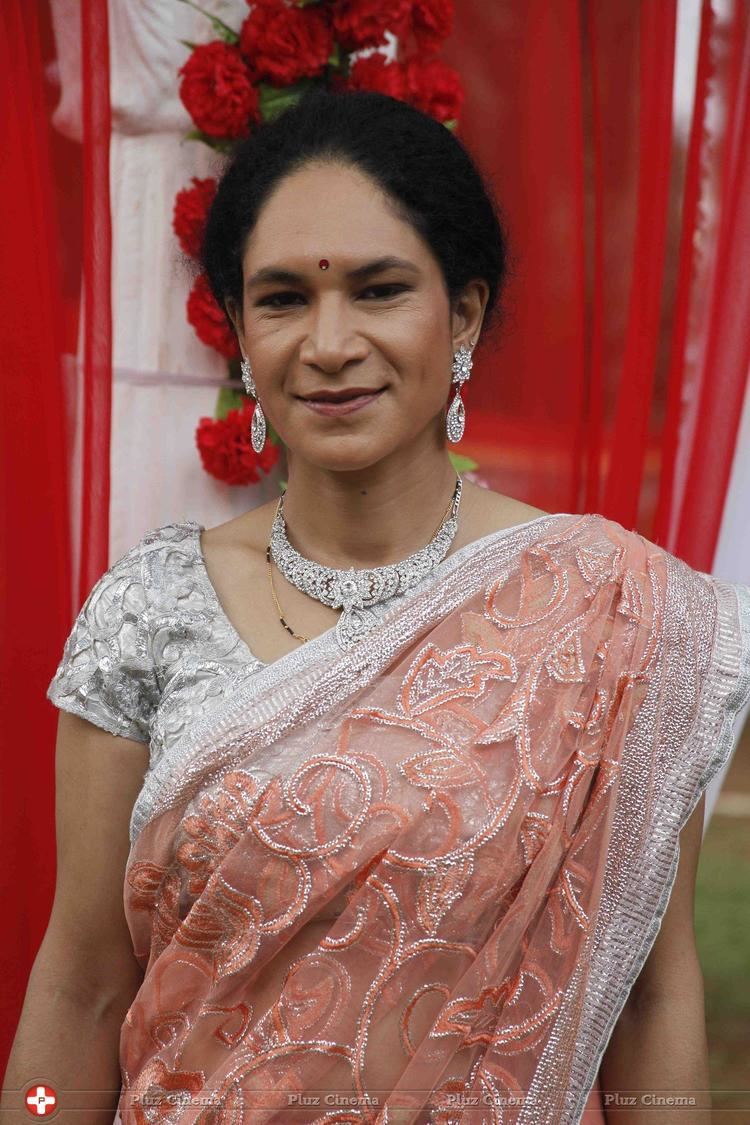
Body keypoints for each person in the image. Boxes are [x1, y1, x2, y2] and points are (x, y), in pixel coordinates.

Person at [4, 88, 749, 1124]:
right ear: (238, 334)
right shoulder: (149, 609)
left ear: (466, 315)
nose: (329, 342)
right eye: (281, 299)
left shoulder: (603, 609)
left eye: (380, 288)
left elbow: (649, 993)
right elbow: (80, 987)